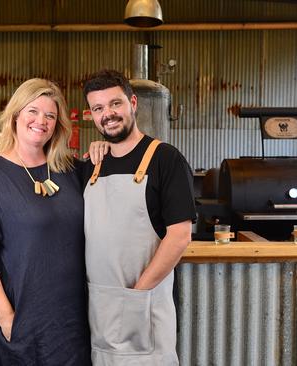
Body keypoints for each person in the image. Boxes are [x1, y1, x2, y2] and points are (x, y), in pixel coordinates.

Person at [0, 78, 91, 365]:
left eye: (50, 115)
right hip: (16, 330)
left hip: (69, 329)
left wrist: (104, 148)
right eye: (33, 111)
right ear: (16, 114)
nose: (41, 121)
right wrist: (9, 321)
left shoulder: (71, 171)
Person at [82, 69, 196, 365]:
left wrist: (135, 297)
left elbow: (180, 237)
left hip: (143, 309)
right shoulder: (90, 166)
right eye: (98, 108)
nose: (108, 114)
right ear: (91, 115)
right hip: (97, 314)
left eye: (115, 103)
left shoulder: (166, 159)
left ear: (133, 103)